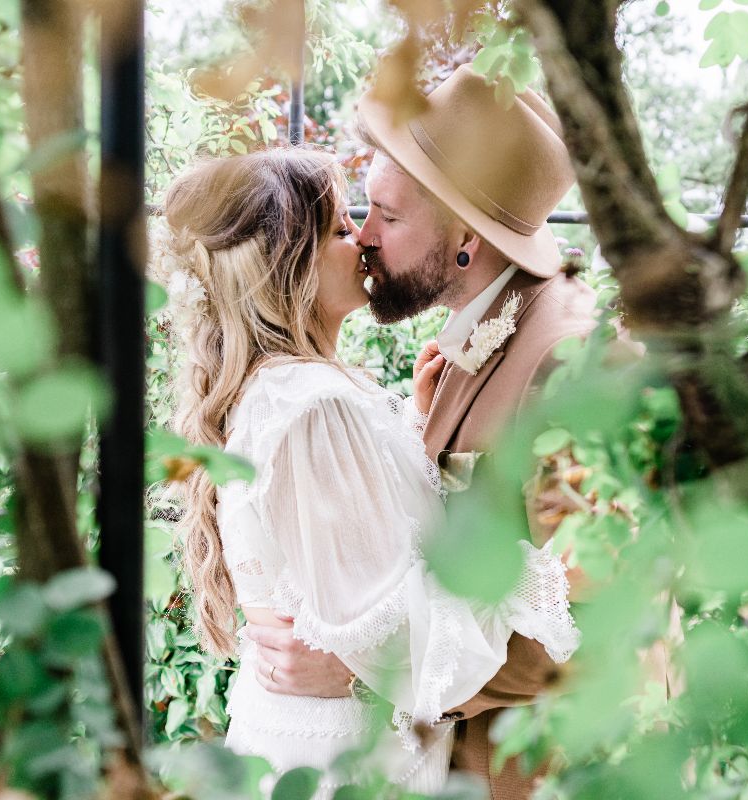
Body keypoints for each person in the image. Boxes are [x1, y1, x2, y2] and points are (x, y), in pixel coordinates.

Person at [160, 147, 579, 797]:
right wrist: (541, 575)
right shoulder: (311, 405)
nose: (362, 239)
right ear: (290, 268)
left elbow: (361, 546)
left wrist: (415, 433)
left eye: (374, 217)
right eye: (340, 228)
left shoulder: (291, 393)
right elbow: (398, 632)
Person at [247, 64, 600, 800]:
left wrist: (366, 669)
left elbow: (590, 610)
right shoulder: (471, 339)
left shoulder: (568, 363)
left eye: (387, 216)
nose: (363, 237)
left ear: (465, 235)